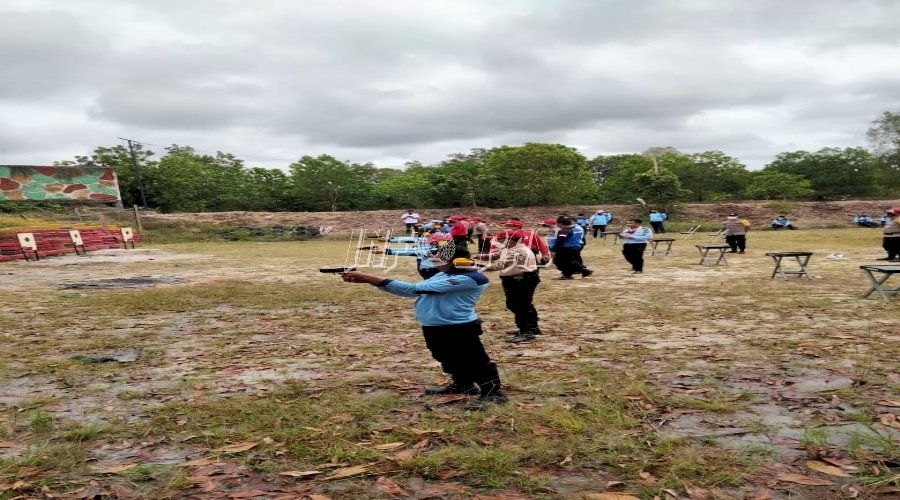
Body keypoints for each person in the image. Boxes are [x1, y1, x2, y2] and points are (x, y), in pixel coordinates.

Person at [340, 234, 507, 410]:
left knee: (474, 360)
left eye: (438, 256)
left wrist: (369, 278)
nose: (433, 259)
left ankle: (494, 394)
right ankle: (463, 385)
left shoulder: (471, 278)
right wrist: (371, 282)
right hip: (435, 326)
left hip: (458, 327)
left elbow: (415, 288)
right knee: (446, 357)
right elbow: (411, 292)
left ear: (455, 259)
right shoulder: (444, 273)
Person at [474, 230, 541, 343]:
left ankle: (526, 331)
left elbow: (500, 265)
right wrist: (479, 256)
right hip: (516, 279)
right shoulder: (510, 249)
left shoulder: (519, 251)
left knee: (519, 305)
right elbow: (496, 255)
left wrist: (476, 266)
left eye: (500, 240)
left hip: (521, 280)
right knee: (523, 304)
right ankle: (532, 328)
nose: (497, 242)